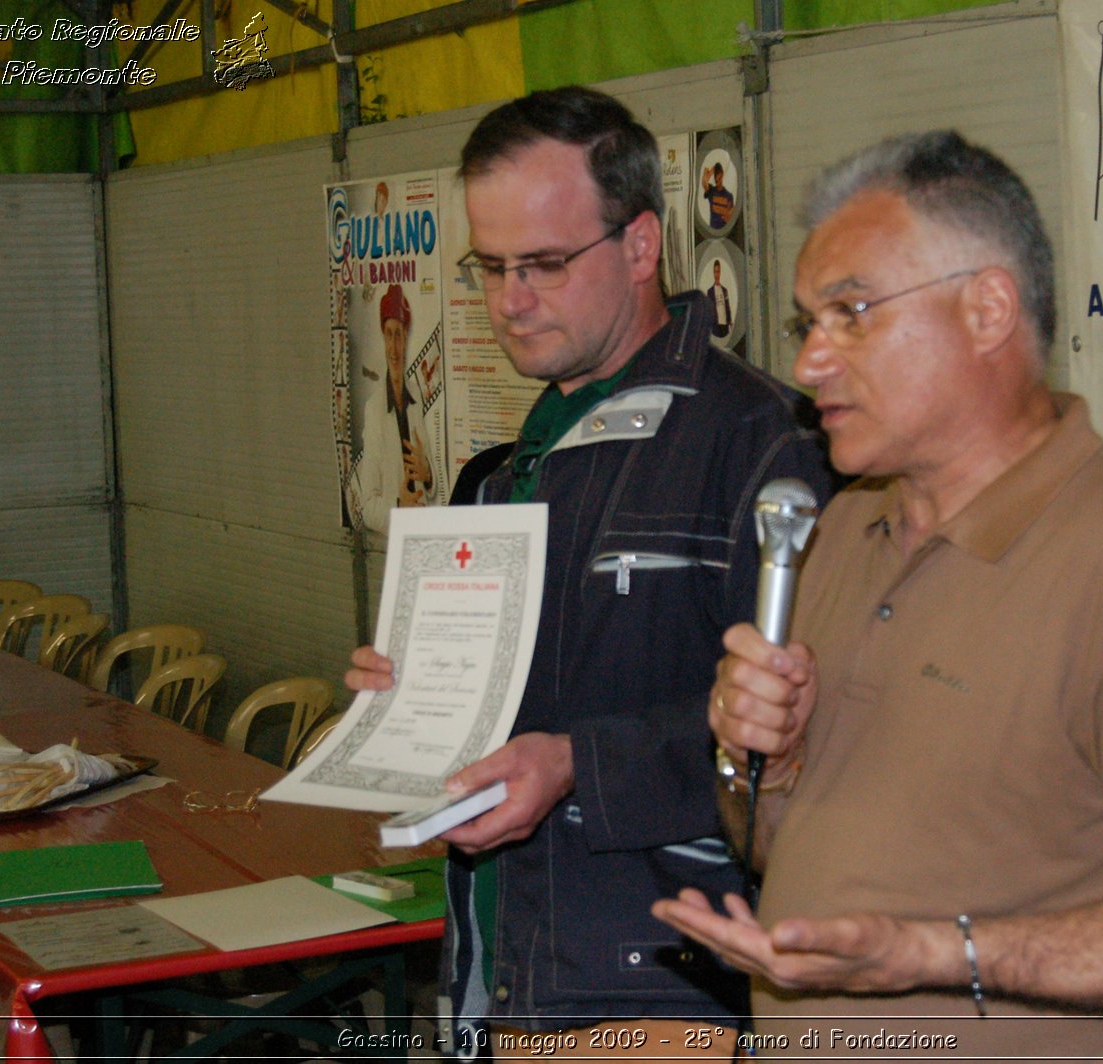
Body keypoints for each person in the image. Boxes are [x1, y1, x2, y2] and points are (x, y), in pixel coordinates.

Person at [652, 130, 1103, 1059]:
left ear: (987, 308)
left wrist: (934, 955)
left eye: (851, 313)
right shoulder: (841, 532)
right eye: (809, 324)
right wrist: (760, 759)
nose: (808, 364)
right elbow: (770, 847)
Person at [346, 87, 833, 1055]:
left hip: (661, 990)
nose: (507, 300)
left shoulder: (757, 445)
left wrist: (573, 766)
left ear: (642, 244)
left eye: (544, 264)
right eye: (489, 266)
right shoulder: (509, 469)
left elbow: (806, 740)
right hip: (503, 967)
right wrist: (412, 705)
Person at [348, 284, 437, 528]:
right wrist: (399, 506)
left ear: (406, 336)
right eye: (389, 334)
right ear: (383, 337)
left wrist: (427, 473)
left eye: (399, 334)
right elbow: (367, 507)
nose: (394, 346)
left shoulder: (416, 397)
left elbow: (431, 483)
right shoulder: (375, 409)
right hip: (393, 541)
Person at [701, 161, 734, 230]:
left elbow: (730, 217)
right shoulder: (712, 191)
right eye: (716, 179)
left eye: (720, 178)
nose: (718, 181)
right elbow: (704, 182)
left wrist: (727, 216)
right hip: (712, 230)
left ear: (722, 175)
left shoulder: (729, 196)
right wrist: (711, 172)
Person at [705, 259, 733, 339]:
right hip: (716, 325)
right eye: (715, 272)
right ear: (713, 273)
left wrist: (730, 320)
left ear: (720, 272)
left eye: (718, 271)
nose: (716, 274)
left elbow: (727, 306)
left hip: (725, 324)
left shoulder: (724, 290)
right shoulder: (710, 291)